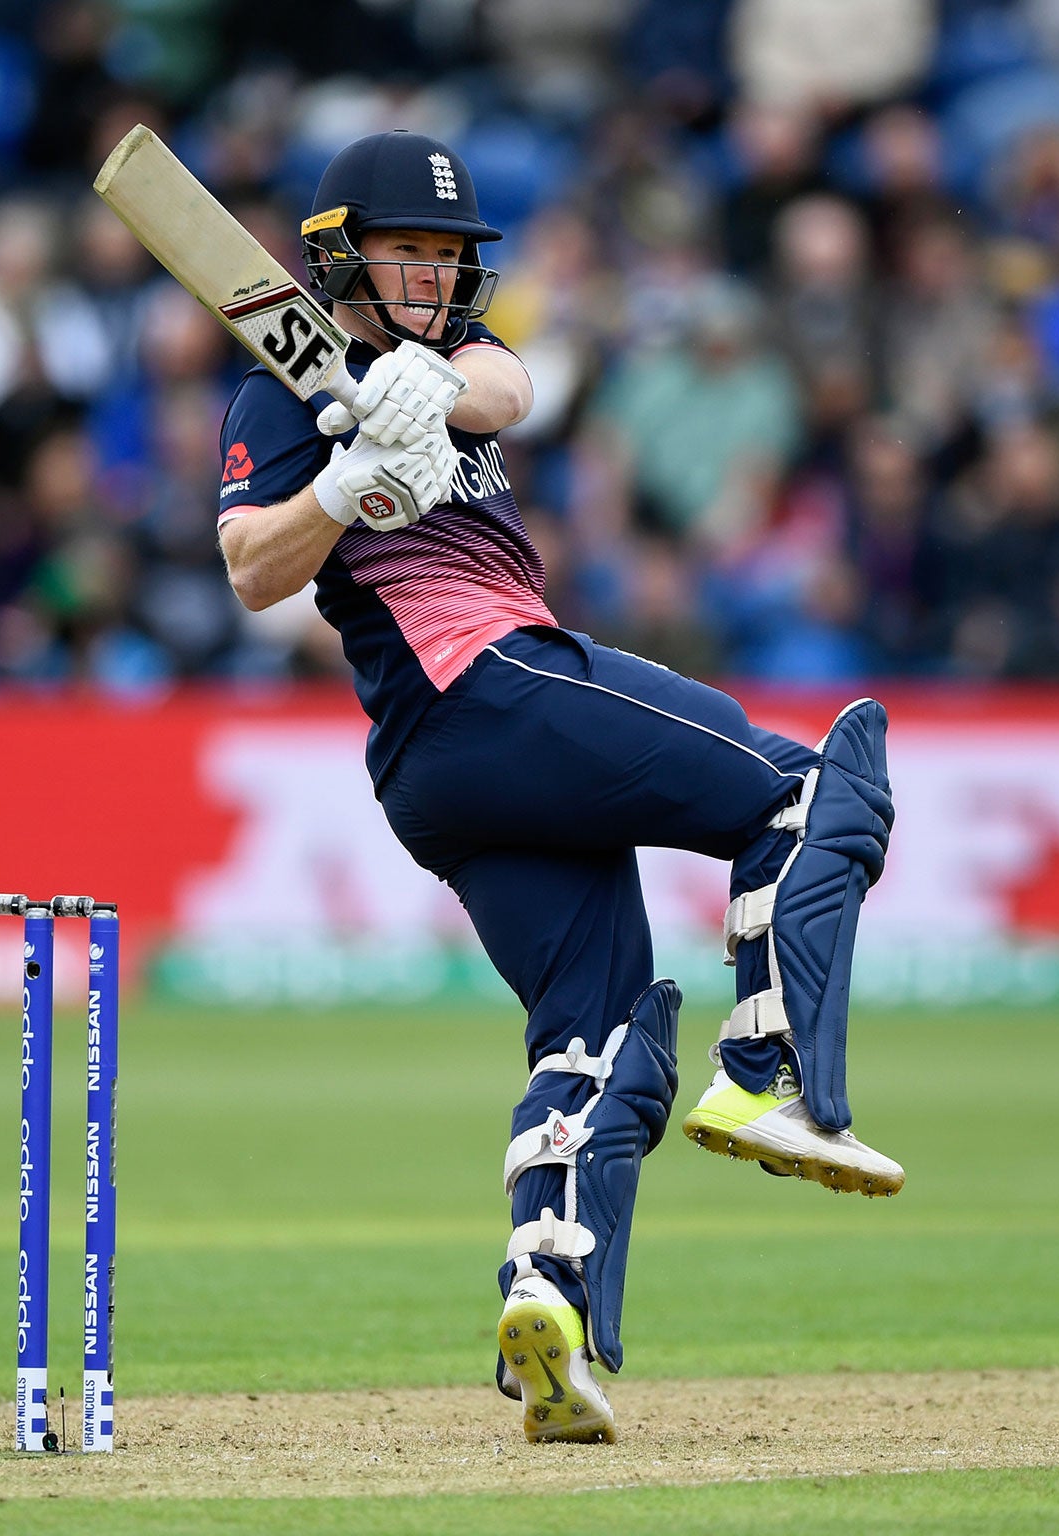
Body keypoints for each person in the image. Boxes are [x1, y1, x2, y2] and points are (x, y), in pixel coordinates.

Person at [213, 131, 904, 1446]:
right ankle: (768, 1073)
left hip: (442, 776)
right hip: (487, 686)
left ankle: (550, 1316)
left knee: (598, 1034)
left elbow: (512, 385)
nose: (434, 276)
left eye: (450, 256)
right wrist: (347, 488)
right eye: (408, 251)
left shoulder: (451, 360)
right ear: (342, 255)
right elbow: (252, 567)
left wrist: (425, 392)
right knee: (815, 791)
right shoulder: (283, 394)